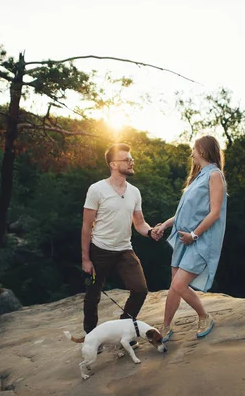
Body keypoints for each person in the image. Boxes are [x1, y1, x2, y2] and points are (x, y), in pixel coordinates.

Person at [81, 143, 162, 340]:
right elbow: (86, 225)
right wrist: (86, 259)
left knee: (140, 290)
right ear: (113, 165)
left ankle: (123, 328)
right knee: (93, 296)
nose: (132, 162)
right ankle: (91, 336)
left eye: (131, 159)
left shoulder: (134, 192)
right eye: (127, 160)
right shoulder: (97, 189)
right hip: (99, 250)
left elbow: (140, 223)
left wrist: (151, 232)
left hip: (125, 250)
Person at [153, 135, 227, 342]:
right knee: (175, 285)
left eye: (194, 149)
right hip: (184, 239)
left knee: (178, 284)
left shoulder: (214, 175)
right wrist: (166, 225)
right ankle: (165, 327)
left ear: (202, 151)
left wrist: (195, 235)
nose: (192, 153)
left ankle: (205, 317)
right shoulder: (198, 177)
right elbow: (185, 213)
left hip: (200, 239)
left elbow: (215, 213)